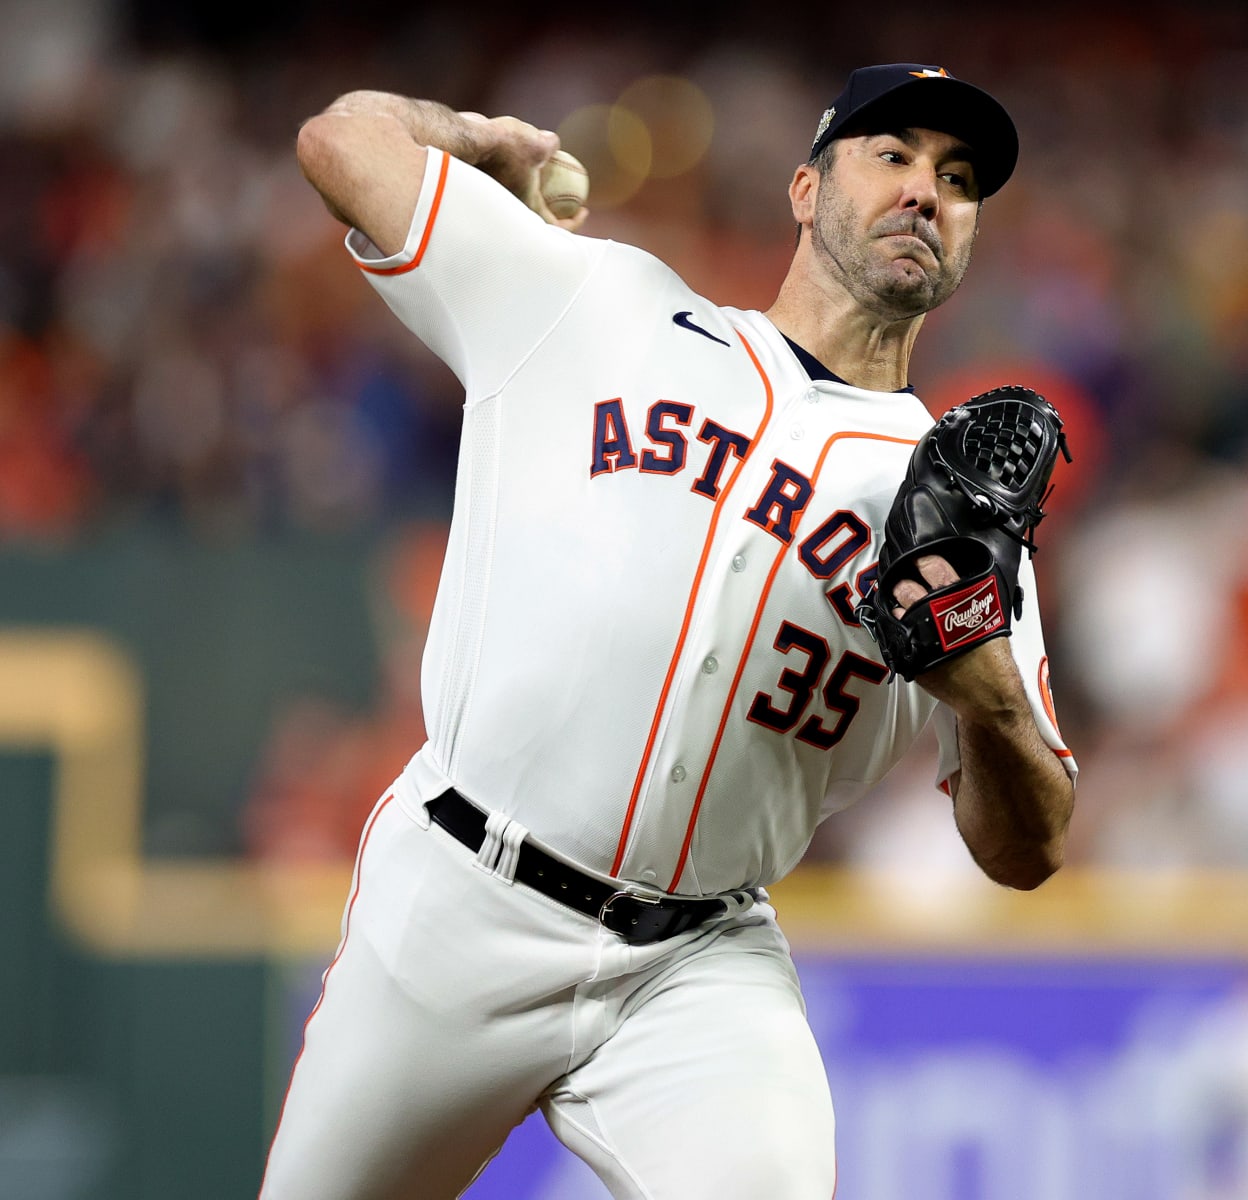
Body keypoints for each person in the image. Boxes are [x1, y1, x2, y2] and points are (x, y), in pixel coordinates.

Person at [263, 63, 1077, 1199]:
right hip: (459, 897)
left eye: (958, 178)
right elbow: (338, 139)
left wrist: (983, 688)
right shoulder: (597, 303)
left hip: (696, 965)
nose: (925, 192)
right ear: (806, 188)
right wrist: (471, 138)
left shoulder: (957, 511)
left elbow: (1025, 849)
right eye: (891, 156)